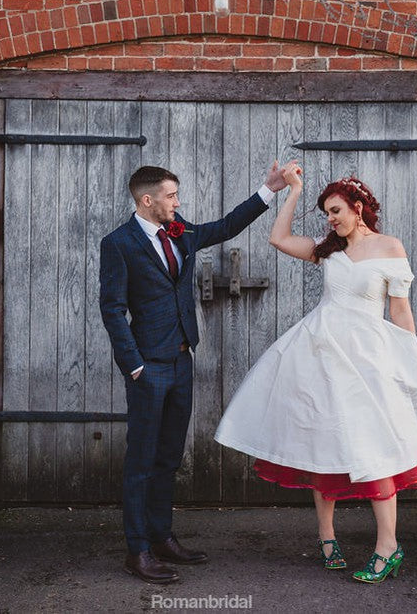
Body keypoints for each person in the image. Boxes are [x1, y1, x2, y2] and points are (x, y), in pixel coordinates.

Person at [214, 166, 417, 584]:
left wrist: (409, 361)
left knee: (377, 446)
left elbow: (400, 311)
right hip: (319, 354)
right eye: (326, 214)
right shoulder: (327, 249)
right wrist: (293, 191)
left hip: (368, 357)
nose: (330, 219)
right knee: (322, 441)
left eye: (335, 211)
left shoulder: (390, 248)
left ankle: (388, 546)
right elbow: (278, 239)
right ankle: (327, 538)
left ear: (358, 207)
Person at [99, 161, 297, 585]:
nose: (178, 202)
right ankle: (138, 551)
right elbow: (112, 308)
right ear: (147, 200)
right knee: (141, 462)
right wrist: (132, 363)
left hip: (182, 361)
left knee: (169, 457)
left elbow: (224, 227)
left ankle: (162, 536)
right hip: (147, 367)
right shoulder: (118, 244)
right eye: (171, 196)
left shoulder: (181, 231)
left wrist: (269, 189)